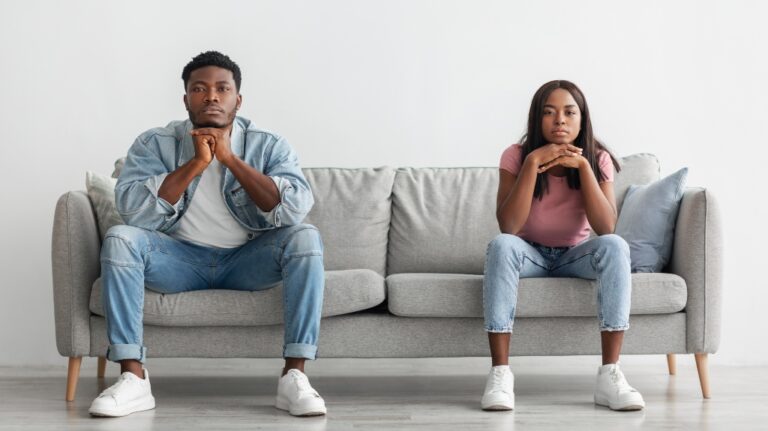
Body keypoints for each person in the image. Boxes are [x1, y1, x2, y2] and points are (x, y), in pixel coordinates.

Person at [89, 51, 327, 418]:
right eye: (199, 89)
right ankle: (133, 377)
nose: (211, 96)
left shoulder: (269, 145)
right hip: (178, 261)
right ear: (186, 99)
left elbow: (294, 209)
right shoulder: (154, 144)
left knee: (305, 237)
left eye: (222, 88)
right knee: (120, 237)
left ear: (238, 100)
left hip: (246, 262)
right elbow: (134, 212)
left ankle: (294, 376)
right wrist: (197, 163)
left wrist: (230, 159)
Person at [480, 80, 645, 412]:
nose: (560, 121)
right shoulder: (516, 156)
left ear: (582, 119)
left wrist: (583, 167)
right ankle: (500, 375)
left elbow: (605, 227)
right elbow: (509, 226)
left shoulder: (598, 159)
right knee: (501, 245)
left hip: (573, 256)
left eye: (569, 113)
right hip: (529, 254)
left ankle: (610, 374)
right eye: (549, 112)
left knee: (615, 245)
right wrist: (532, 164)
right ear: (537, 119)